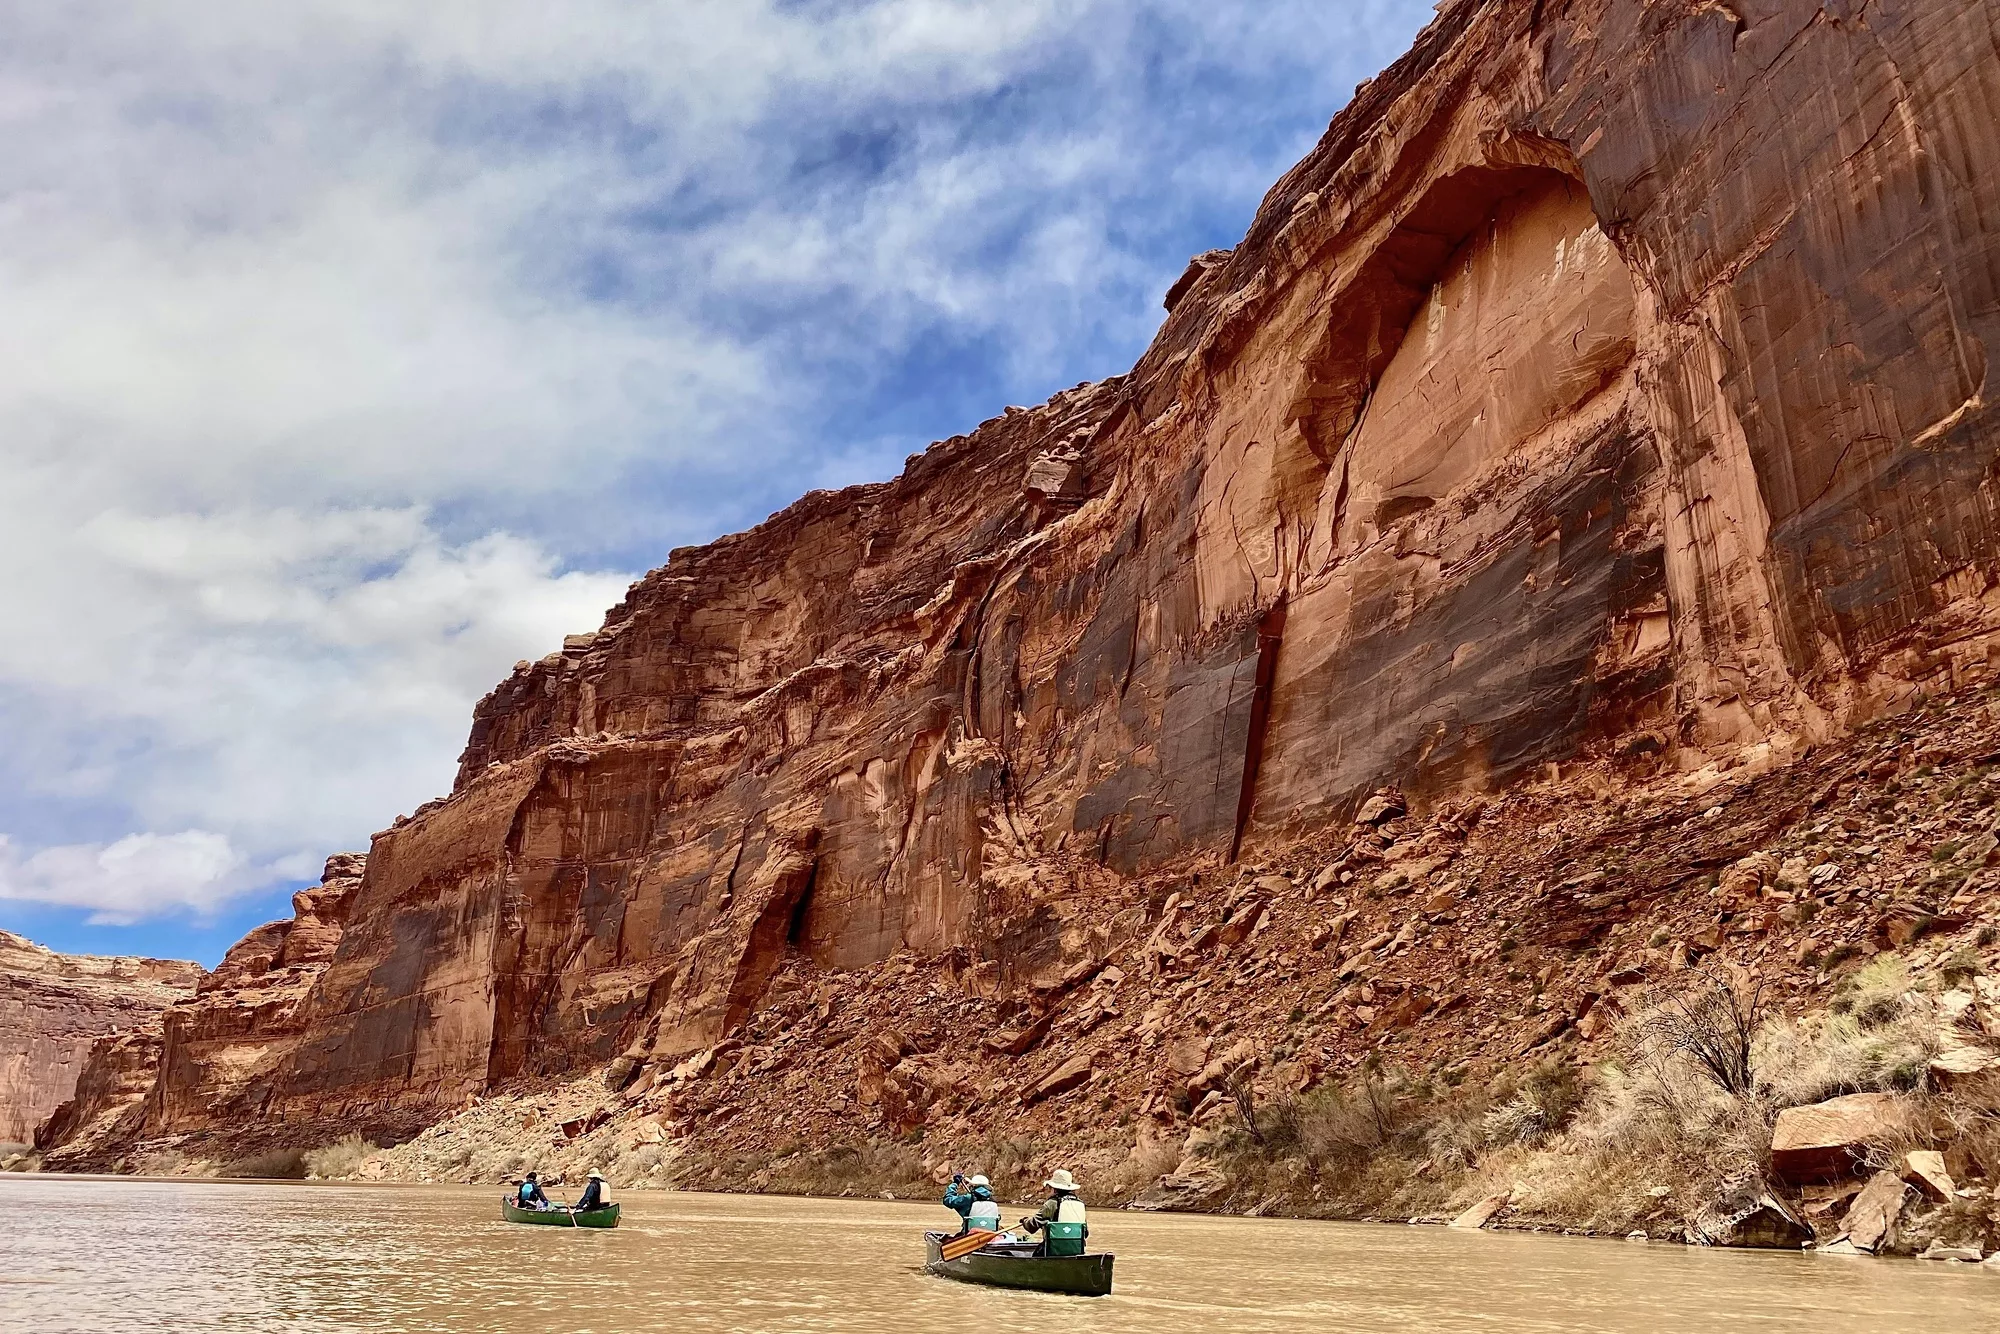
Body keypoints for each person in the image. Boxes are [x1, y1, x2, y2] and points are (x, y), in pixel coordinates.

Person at [1018, 1169, 1087, 1256]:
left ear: (1055, 1189)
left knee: (1036, 1254)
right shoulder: (1080, 1204)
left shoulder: (1051, 1204)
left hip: (1054, 1251)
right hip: (1077, 1250)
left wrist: (1024, 1221)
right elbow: (1086, 1233)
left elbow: (1032, 1226)